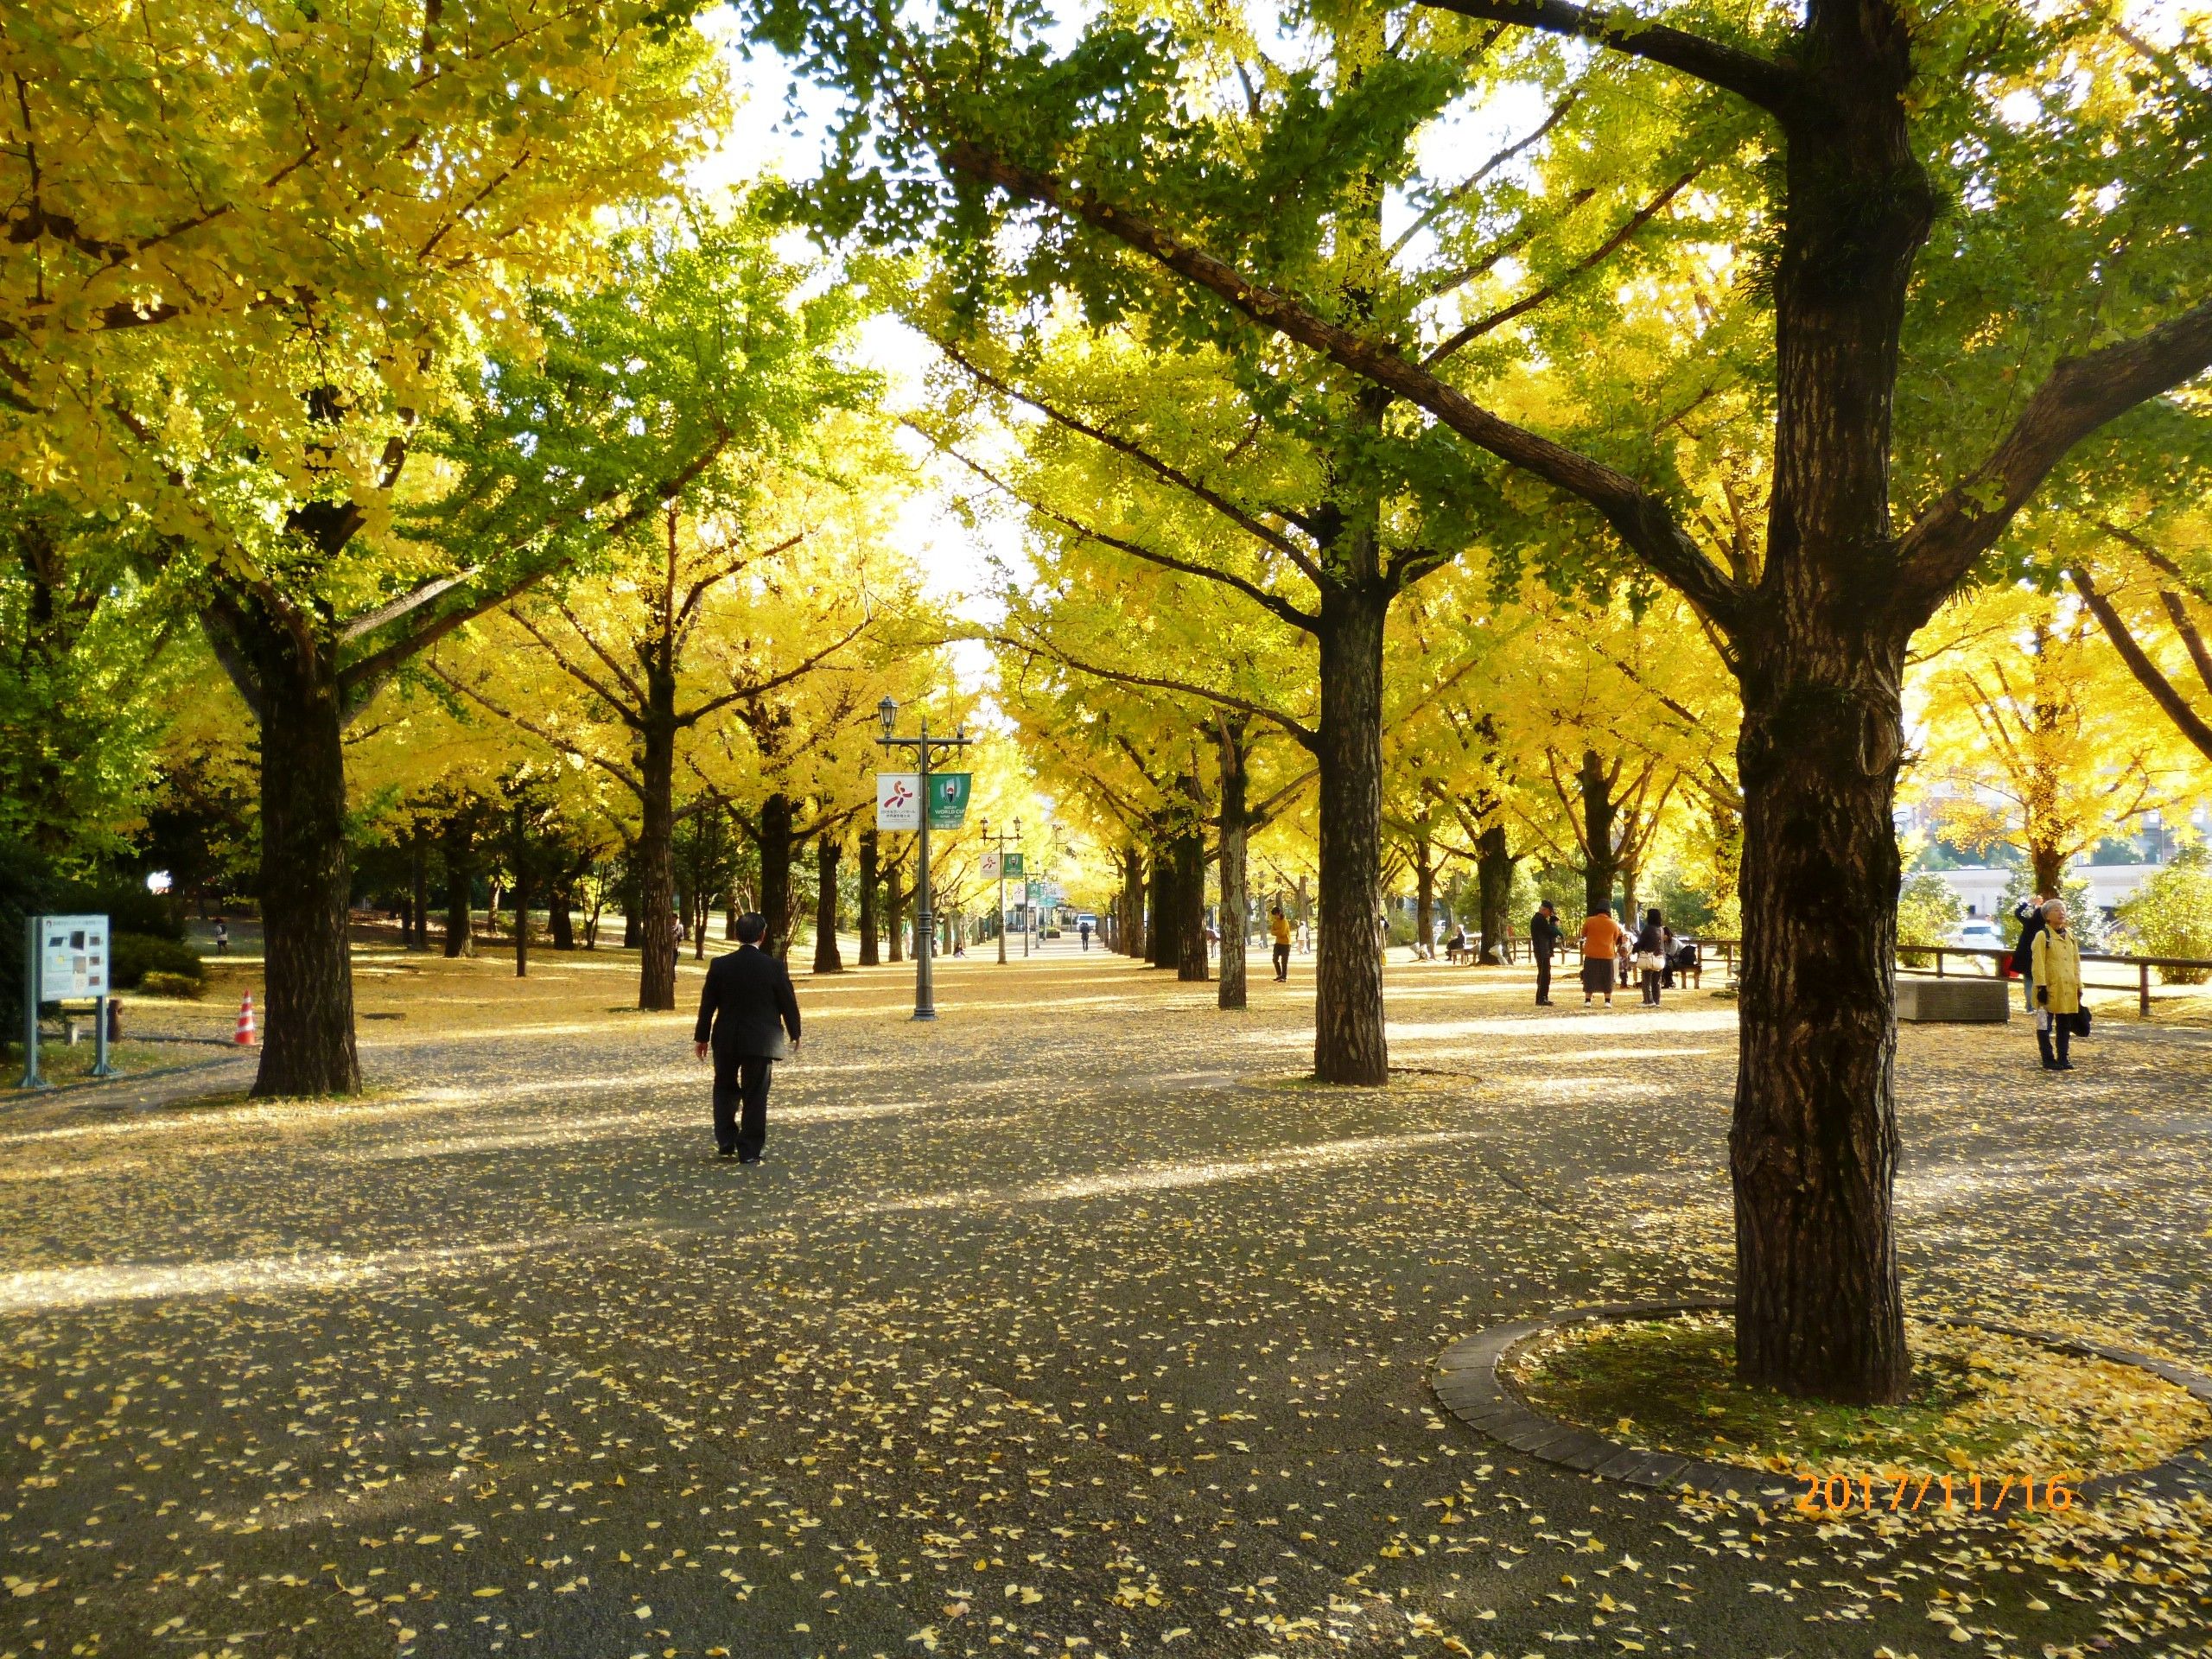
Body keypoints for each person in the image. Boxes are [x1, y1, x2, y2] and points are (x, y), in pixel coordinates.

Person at [692, 912, 801, 1163]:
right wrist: (795, 1032)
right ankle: (750, 1149)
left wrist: (702, 1038)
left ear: (735, 935)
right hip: (761, 1040)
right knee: (756, 1093)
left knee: (724, 1088)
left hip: (727, 1037)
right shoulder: (774, 966)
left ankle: (727, 1139)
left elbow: (707, 1005)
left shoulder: (720, 965)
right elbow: (787, 1001)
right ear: (762, 936)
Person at [2031, 900, 2082, 1071]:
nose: (2061, 913)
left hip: (2067, 987)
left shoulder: (2070, 935)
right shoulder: (2042, 935)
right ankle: (2047, 1058)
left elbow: (2076, 962)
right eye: (2056, 910)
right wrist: (2041, 986)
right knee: (2044, 1024)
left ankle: (2063, 1056)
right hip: (2048, 987)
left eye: (2063, 909)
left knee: (2065, 1024)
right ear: (2047, 915)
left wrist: (2079, 985)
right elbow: (2038, 962)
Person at [1580, 905, 1624, 1007]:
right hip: (1607, 954)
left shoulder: (1589, 920)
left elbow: (1584, 934)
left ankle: (1588, 1000)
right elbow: (1615, 937)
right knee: (1607, 977)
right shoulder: (1613, 923)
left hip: (1591, 953)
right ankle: (1607, 1001)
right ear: (1609, 912)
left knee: (1589, 976)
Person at [2010, 893, 2047, 1015]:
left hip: (2025, 957)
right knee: (2039, 982)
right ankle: (2039, 1005)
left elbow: (2017, 913)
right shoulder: (2044, 928)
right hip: (2038, 957)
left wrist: (2028, 903)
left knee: (2028, 982)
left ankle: (2030, 1007)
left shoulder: (2028, 923)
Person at [1529, 901, 1560, 1005]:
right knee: (1544, 975)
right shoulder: (1539, 920)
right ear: (1545, 910)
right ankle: (1541, 998)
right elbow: (1550, 932)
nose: (1549, 915)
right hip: (1542, 950)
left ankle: (1543, 997)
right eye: (1549, 912)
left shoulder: (1540, 919)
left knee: (1545, 974)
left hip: (1543, 950)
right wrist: (1555, 925)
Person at [1635, 907, 1667, 1006]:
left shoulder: (1648, 928)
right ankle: (1656, 1001)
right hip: (1660, 957)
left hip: (1649, 956)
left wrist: (1634, 949)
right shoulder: (1661, 929)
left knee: (1646, 979)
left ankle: (1648, 1001)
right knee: (1657, 981)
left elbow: (1642, 941)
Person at [1269, 905, 1293, 982]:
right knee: (1275, 959)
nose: (1276, 916)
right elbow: (1271, 932)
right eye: (1274, 915)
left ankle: (1284, 977)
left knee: (1284, 961)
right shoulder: (1275, 922)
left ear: (1279, 913)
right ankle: (1279, 974)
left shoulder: (1284, 921)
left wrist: (1276, 932)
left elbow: (1282, 932)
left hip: (1286, 943)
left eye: (1276, 914)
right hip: (1278, 943)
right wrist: (1277, 932)